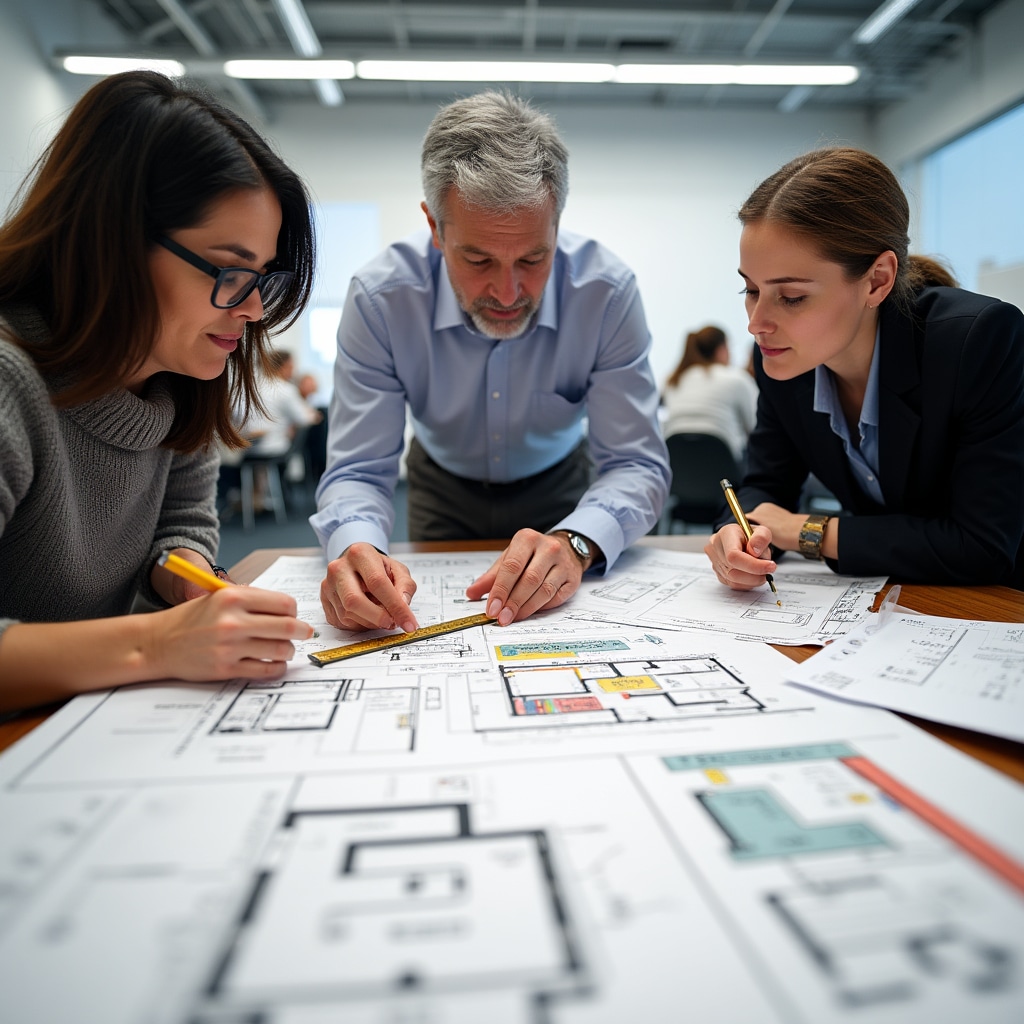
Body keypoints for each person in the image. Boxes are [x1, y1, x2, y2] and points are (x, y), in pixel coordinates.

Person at [0, 71, 317, 712]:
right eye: (231, 271)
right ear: (112, 242)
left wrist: (184, 578)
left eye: (263, 277)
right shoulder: (11, 383)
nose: (254, 309)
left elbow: (180, 525)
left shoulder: (178, 379)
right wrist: (159, 643)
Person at [312, 91, 670, 634]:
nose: (507, 292)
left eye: (533, 258)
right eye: (478, 259)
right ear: (435, 228)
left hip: (562, 488)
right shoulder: (382, 299)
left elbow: (635, 463)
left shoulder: (606, 293)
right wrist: (356, 549)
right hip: (441, 487)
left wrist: (578, 541)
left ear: (556, 224)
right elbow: (358, 469)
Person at [704, 146, 1024, 592]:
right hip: (888, 598)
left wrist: (805, 531)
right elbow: (764, 488)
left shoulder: (979, 341)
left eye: (791, 297)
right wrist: (739, 534)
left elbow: (982, 546)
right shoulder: (781, 357)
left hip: (995, 604)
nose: (756, 324)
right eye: (751, 290)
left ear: (877, 280)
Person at [661, 325, 758, 463]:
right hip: (724, 469)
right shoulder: (735, 378)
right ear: (721, 349)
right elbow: (756, 428)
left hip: (677, 465)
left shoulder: (674, 380)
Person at [245, 349, 321, 459]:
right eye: (291, 367)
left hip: (248, 448)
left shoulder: (254, 387)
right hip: (274, 447)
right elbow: (303, 419)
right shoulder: (286, 389)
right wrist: (314, 415)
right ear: (284, 367)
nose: (293, 372)